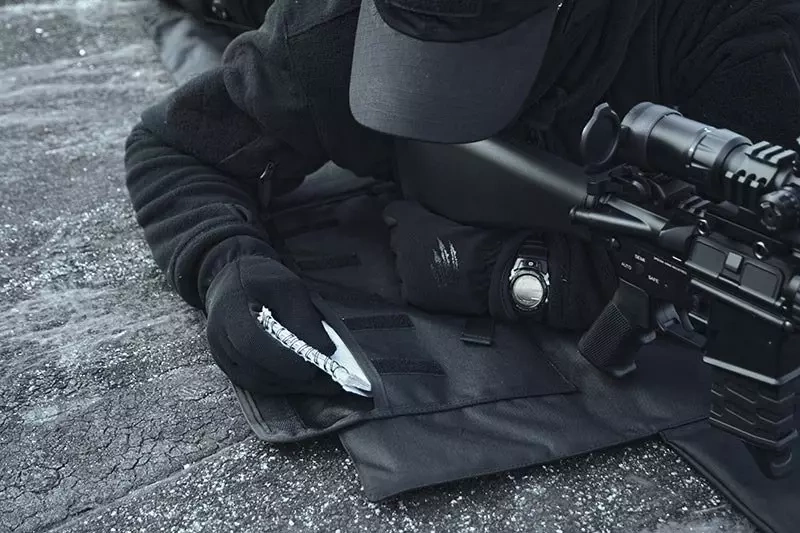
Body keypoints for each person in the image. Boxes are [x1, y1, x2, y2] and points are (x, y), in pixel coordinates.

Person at [125, 0, 800, 397]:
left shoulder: (736, 36)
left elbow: (749, 264)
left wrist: (509, 272)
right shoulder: (331, 36)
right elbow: (173, 146)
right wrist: (228, 266)